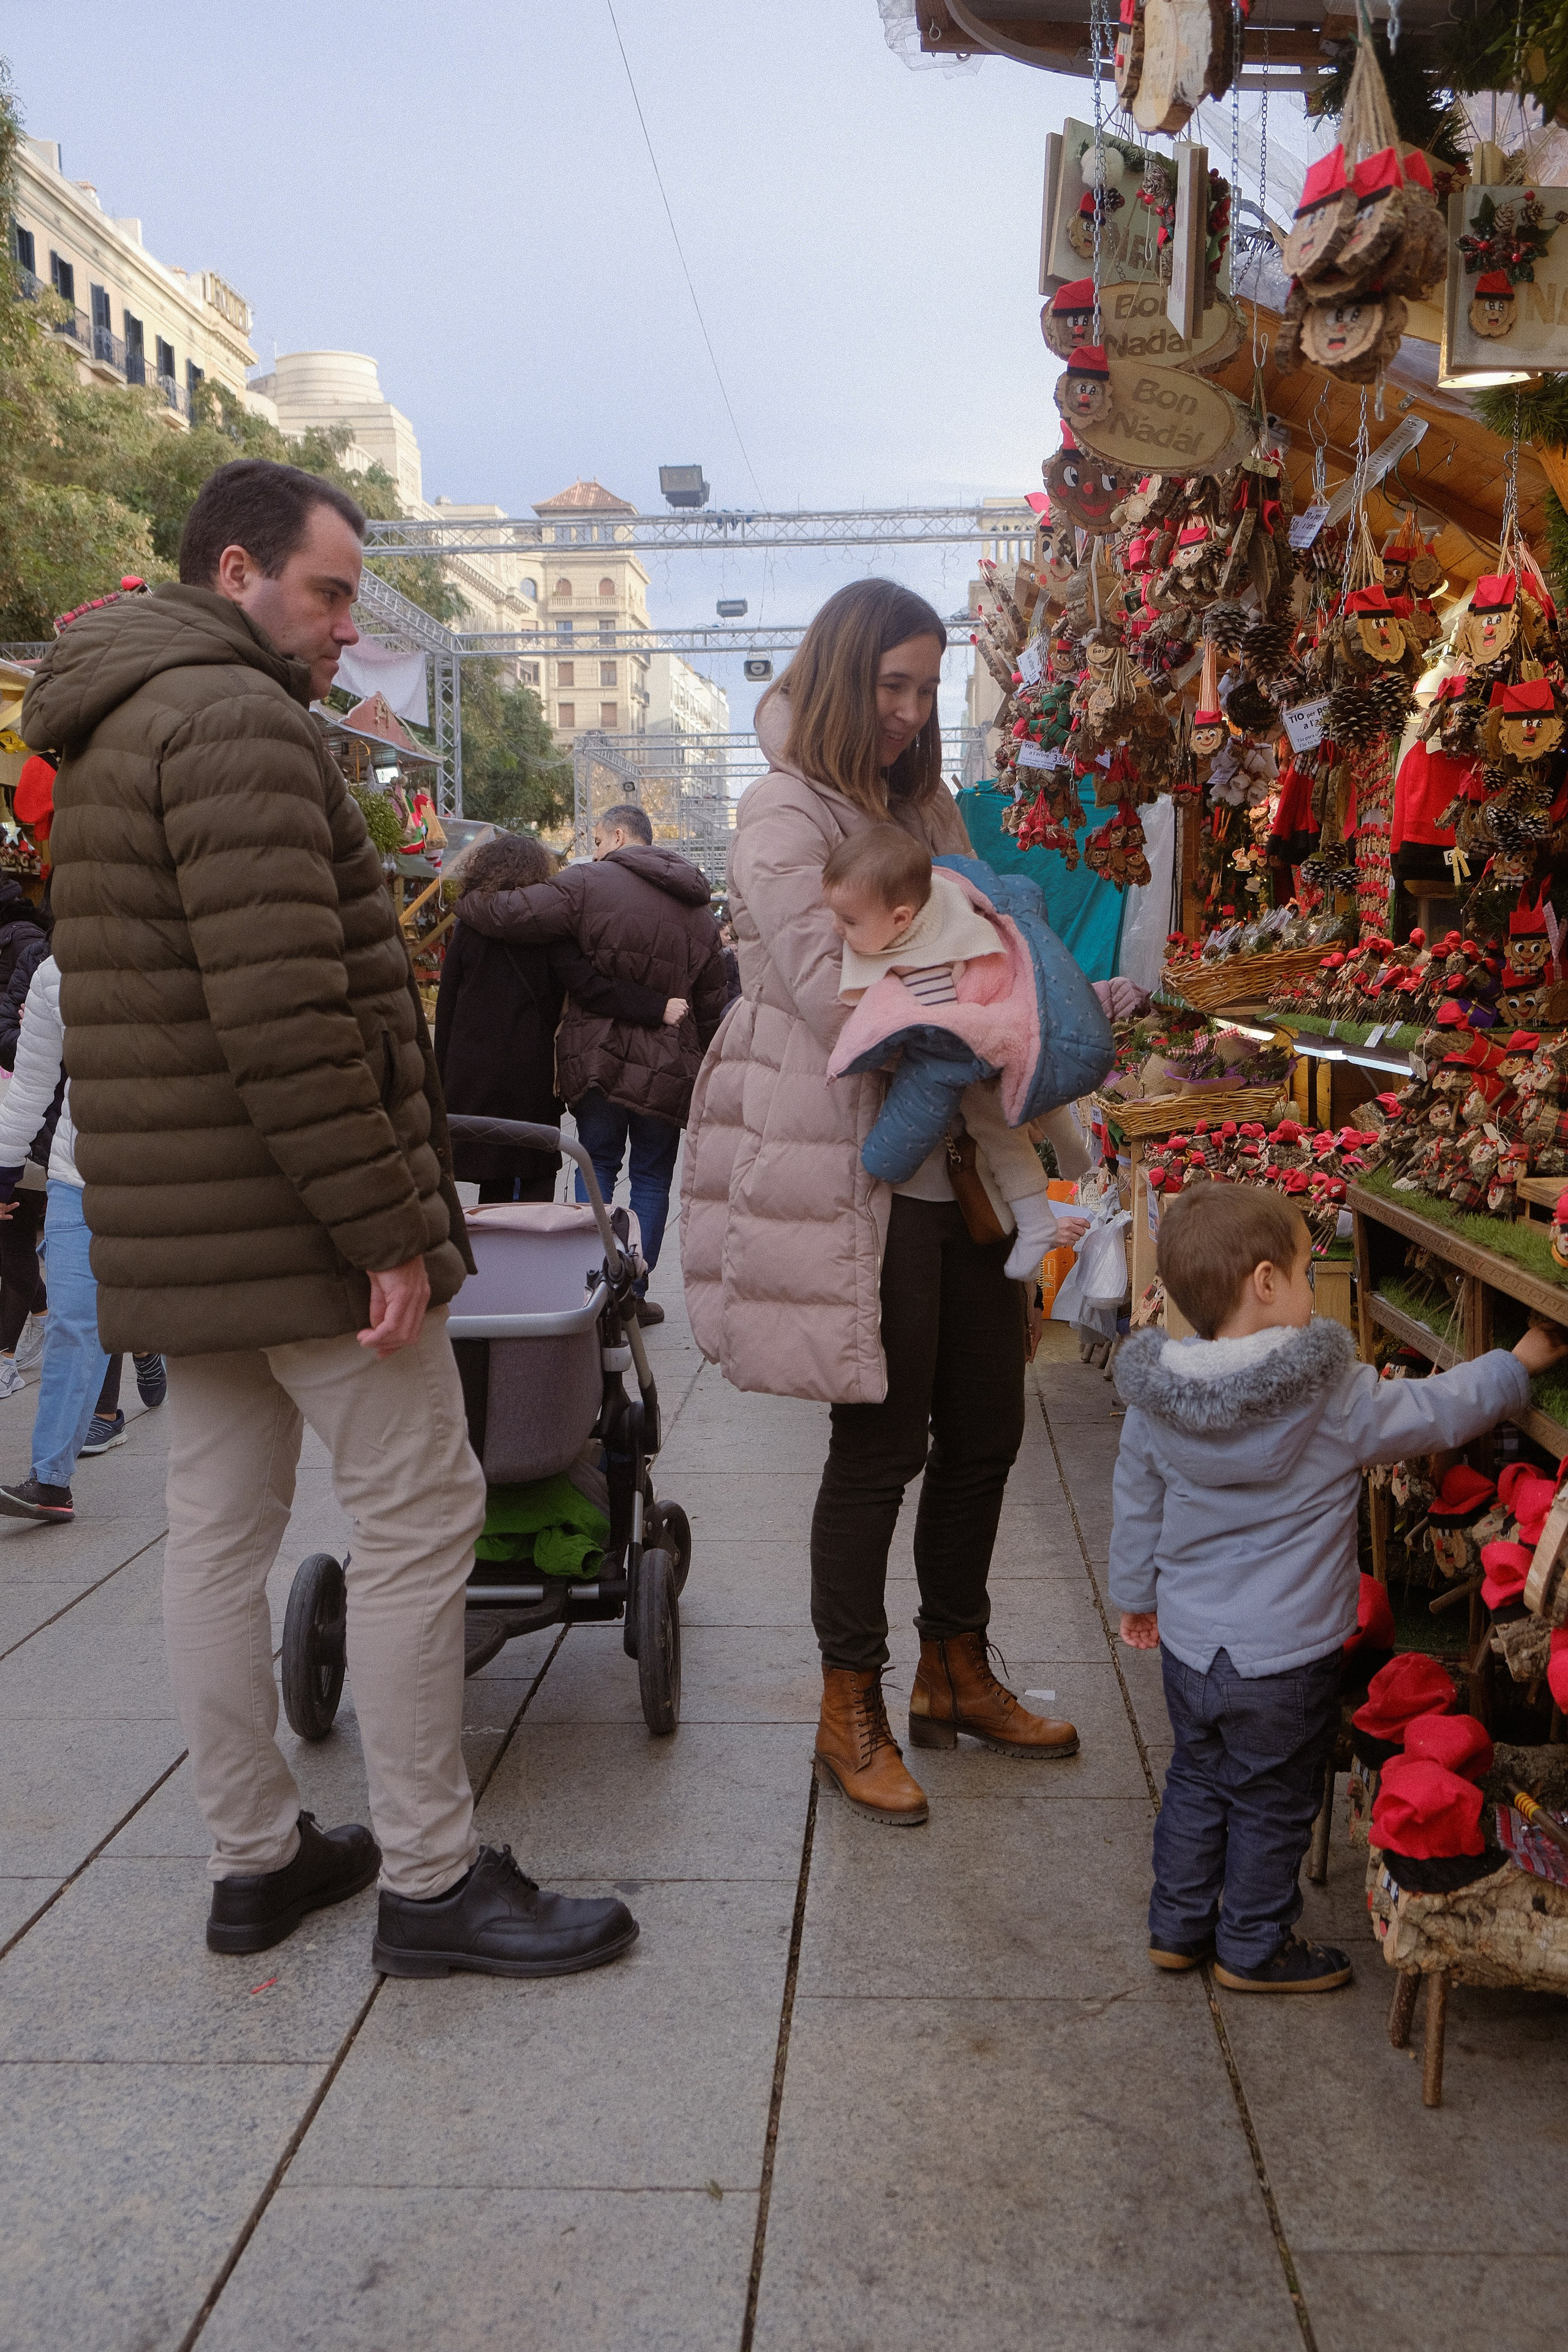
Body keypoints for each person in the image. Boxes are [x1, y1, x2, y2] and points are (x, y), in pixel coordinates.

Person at [23, 456, 636, 1980]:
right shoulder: (231, 719)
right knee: (423, 1512)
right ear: (235, 571)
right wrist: (382, 1224)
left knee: (216, 1533)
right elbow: (287, 1013)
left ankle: (255, 1855)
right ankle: (432, 1876)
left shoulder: (109, 720)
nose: (344, 631)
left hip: (185, 1215)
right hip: (294, 1214)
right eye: (329, 591)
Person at [682, 578, 1083, 1829]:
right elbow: (835, 1002)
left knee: (984, 1429)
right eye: (890, 685)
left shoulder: (921, 802)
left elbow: (974, 944)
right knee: (877, 1447)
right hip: (858, 1169)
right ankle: (845, 1702)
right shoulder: (780, 810)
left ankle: (953, 1672)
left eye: (924, 687)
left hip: (956, 1163)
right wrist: (985, 1001)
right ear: (841, 675)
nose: (910, 712)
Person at [1110, 1181, 1567, 1991]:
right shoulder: (1328, 1394)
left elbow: (1137, 1500)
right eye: (1300, 1266)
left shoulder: (1160, 1400)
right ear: (1265, 1283)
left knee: (1197, 1776)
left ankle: (1177, 1927)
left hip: (1190, 1645)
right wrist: (1515, 1363)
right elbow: (1435, 1409)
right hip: (1285, 1658)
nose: (1304, 1282)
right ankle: (1252, 1948)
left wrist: (1135, 1593)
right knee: (1274, 1799)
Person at [456, 801, 730, 1325]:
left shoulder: (589, 885)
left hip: (598, 1057)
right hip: (669, 1065)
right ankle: (634, 1293)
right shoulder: (697, 910)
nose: (596, 850)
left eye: (600, 840)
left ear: (621, 836)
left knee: (598, 1165)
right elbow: (714, 1002)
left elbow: (513, 913)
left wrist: (465, 902)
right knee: (651, 1178)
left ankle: (595, 1286)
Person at [820, 824, 1089, 1281]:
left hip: (978, 1044)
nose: (836, 930)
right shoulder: (945, 899)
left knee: (996, 1125)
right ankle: (1073, 1151)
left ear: (901, 919)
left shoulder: (920, 964)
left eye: (849, 922)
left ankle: (1036, 1220)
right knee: (1036, 1081)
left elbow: (942, 1036)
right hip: (1016, 1020)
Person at [435, 831, 691, 1204]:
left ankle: (499, 1257)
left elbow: (447, 1009)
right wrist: (655, 1006)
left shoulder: (468, 926)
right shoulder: (548, 931)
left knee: (494, 1180)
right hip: (530, 1071)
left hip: (475, 1071)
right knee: (533, 1173)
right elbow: (591, 987)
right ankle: (535, 1258)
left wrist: (441, 1082)